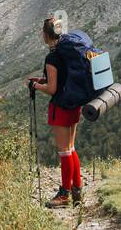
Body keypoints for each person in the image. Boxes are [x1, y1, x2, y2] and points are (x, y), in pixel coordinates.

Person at [27, 13, 83, 208]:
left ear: (46, 35)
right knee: (71, 148)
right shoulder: (67, 52)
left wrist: (37, 87)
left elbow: (52, 89)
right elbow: (59, 80)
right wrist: (43, 81)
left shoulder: (52, 57)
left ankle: (64, 195)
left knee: (64, 151)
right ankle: (77, 190)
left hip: (60, 105)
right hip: (74, 102)